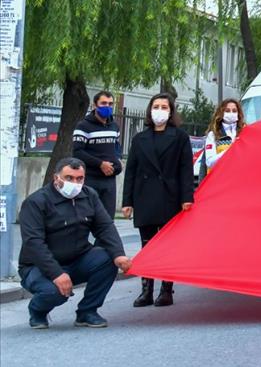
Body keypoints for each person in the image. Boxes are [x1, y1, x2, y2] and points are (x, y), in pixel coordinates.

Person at [18, 157, 132, 329]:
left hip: (78, 259)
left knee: (108, 258)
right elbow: (34, 243)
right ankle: (37, 311)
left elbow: (105, 227)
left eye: (80, 178)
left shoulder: (89, 195)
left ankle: (87, 312)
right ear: (56, 178)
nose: (75, 183)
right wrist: (56, 273)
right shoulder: (36, 202)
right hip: (39, 267)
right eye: (69, 178)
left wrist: (119, 254)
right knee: (55, 293)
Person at [122, 93, 194, 308]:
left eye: (164, 106)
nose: (159, 110)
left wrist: (186, 197)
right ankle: (146, 289)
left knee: (168, 245)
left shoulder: (180, 137)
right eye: (156, 106)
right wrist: (127, 201)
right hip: (144, 196)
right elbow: (131, 172)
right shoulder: (139, 138)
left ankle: (166, 289)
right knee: (147, 245)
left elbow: (185, 170)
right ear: (149, 110)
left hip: (170, 197)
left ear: (170, 111)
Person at [71, 90, 122, 217]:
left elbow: (116, 148)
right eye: (103, 103)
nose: (107, 107)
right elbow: (77, 152)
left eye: (110, 104)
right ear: (95, 105)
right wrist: (100, 164)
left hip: (109, 180)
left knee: (107, 220)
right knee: (86, 218)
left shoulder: (114, 126)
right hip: (90, 179)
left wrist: (118, 161)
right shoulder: (83, 126)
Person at [199, 98, 244, 182]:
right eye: (227, 110)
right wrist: (229, 150)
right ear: (221, 113)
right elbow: (209, 162)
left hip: (240, 180)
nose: (231, 113)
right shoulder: (213, 135)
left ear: (238, 114)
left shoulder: (245, 132)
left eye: (234, 111)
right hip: (219, 181)